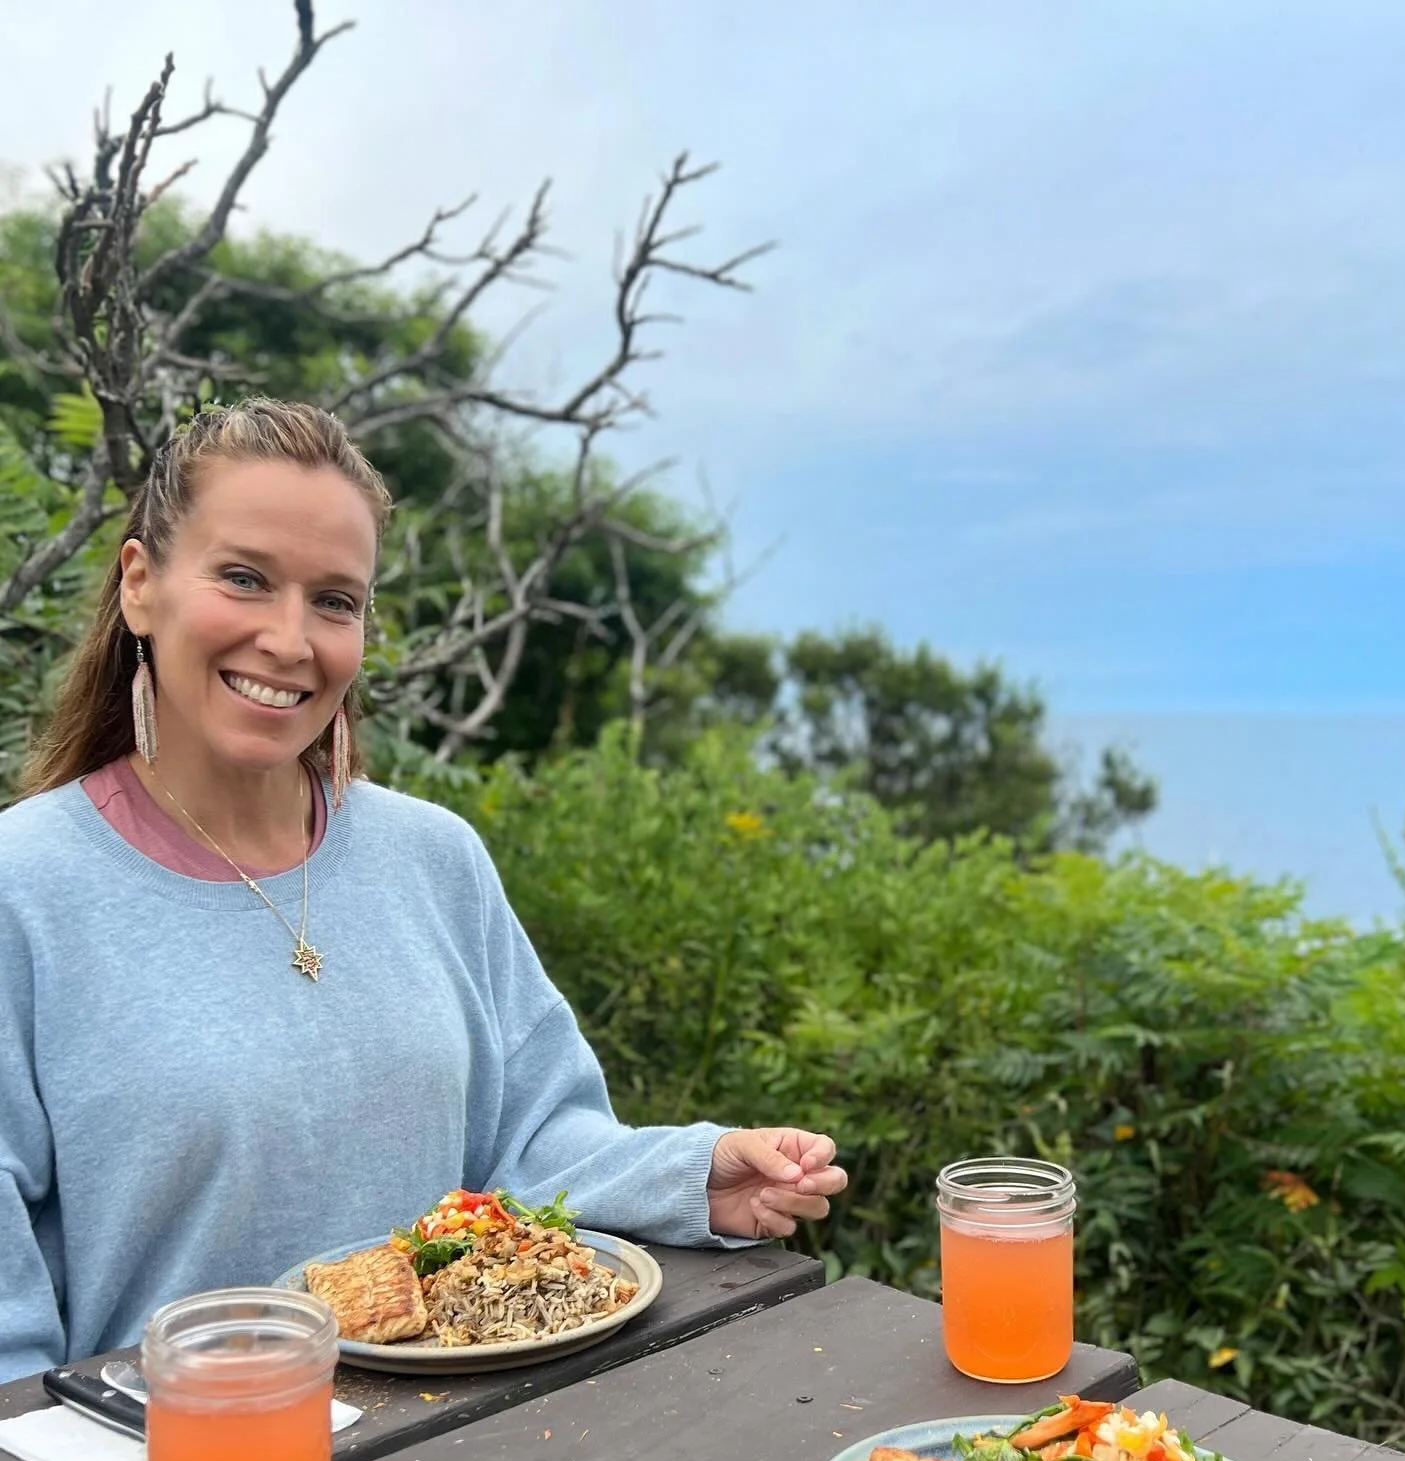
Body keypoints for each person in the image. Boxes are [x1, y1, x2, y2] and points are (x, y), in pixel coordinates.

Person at [0, 399, 845, 1384]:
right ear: (141, 585)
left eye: (335, 601)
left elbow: (526, 1139)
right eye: (244, 578)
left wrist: (692, 1178)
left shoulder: (433, 859)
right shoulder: (26, 889)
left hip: (458, 1450)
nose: (289, 639)